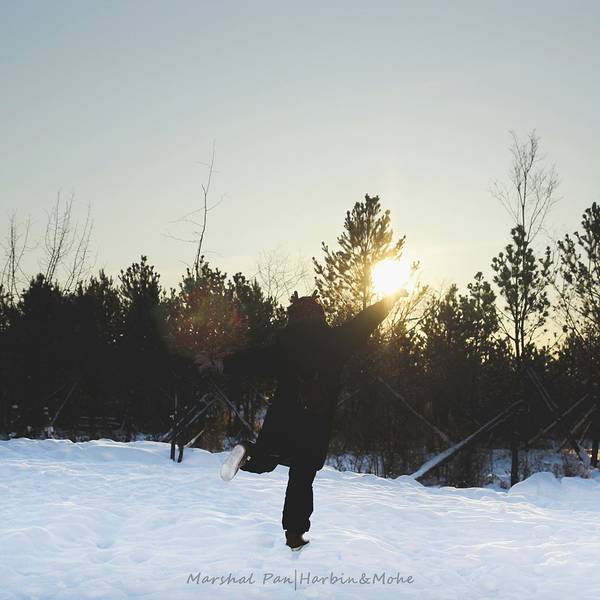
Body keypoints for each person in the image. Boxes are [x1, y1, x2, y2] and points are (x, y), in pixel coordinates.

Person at [195, 289, 406, 550]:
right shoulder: (337, 343)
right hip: (314, 425)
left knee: (263, 461)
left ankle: (247, 451)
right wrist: (390, 299)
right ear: (319, 316)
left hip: (282, 421)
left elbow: (253, 359)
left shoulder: (284, 349)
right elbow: (365, 320)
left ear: (293, 319)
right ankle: (295, 534)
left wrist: (221, 363)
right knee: (302, 477)